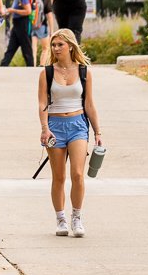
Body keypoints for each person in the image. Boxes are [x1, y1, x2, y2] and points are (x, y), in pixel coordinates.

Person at [37, 28, 104, 238]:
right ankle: (60, 219)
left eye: (60, 45)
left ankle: (76, 217)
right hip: (55, 126)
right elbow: (41, 104)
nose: (56, 49)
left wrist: (98, 132)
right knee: (58, 177)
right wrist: (45, 128)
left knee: (77, 174)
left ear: (70, 46)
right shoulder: (47, 73)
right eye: (54, 45)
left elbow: (90, 104)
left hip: (78, 125)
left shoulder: (84, 71)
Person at [0, 0, 35, 67]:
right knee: (10, 49)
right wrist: (6, 12)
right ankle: (2, 66)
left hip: (23, 24)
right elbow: (15, 10)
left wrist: (13, 10)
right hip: (16, 24)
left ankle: (31, 68)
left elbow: (28, 11)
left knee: (26, 50)